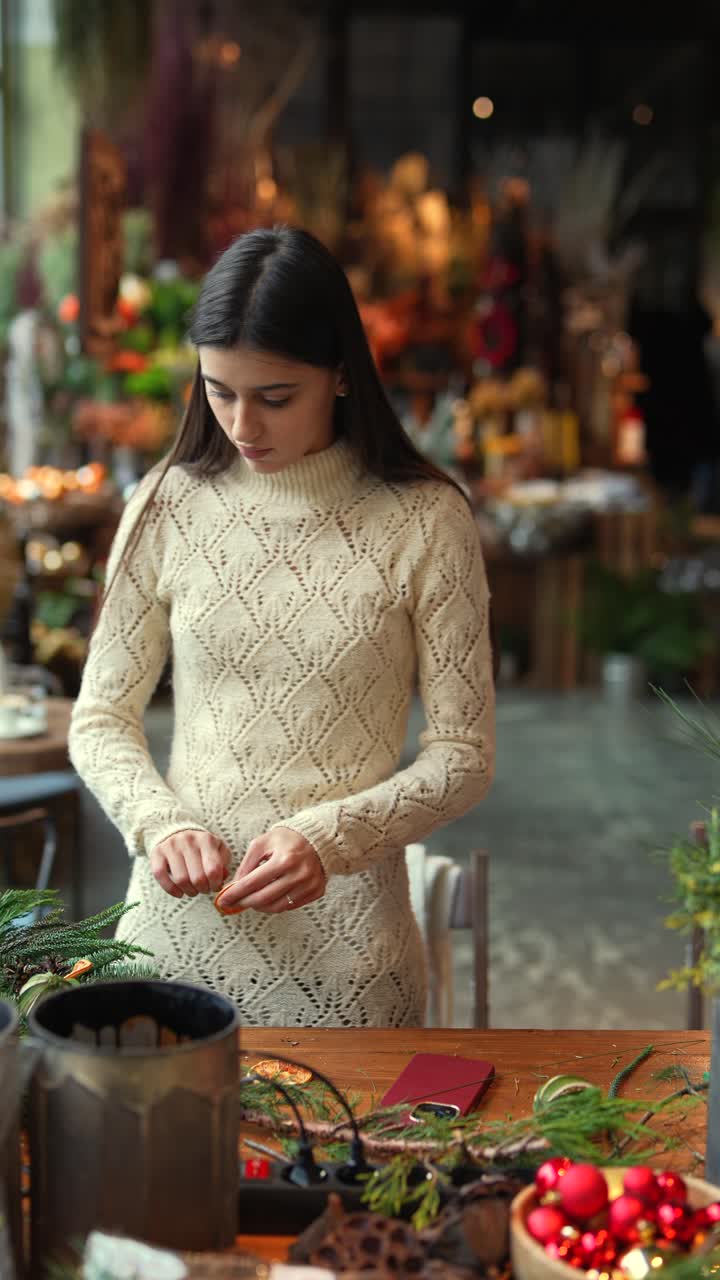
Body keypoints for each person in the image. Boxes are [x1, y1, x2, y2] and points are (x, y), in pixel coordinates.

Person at [69, 227, 495, 1028]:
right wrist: (159, 821)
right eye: (219, 391)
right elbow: (100, 719)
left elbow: (463, 757)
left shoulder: (426, 520)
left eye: (275, 397)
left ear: (341, 374)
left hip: (350, 970)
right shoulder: (164, 504)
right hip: (171, 949)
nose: (242, 425)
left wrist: (331, 837)